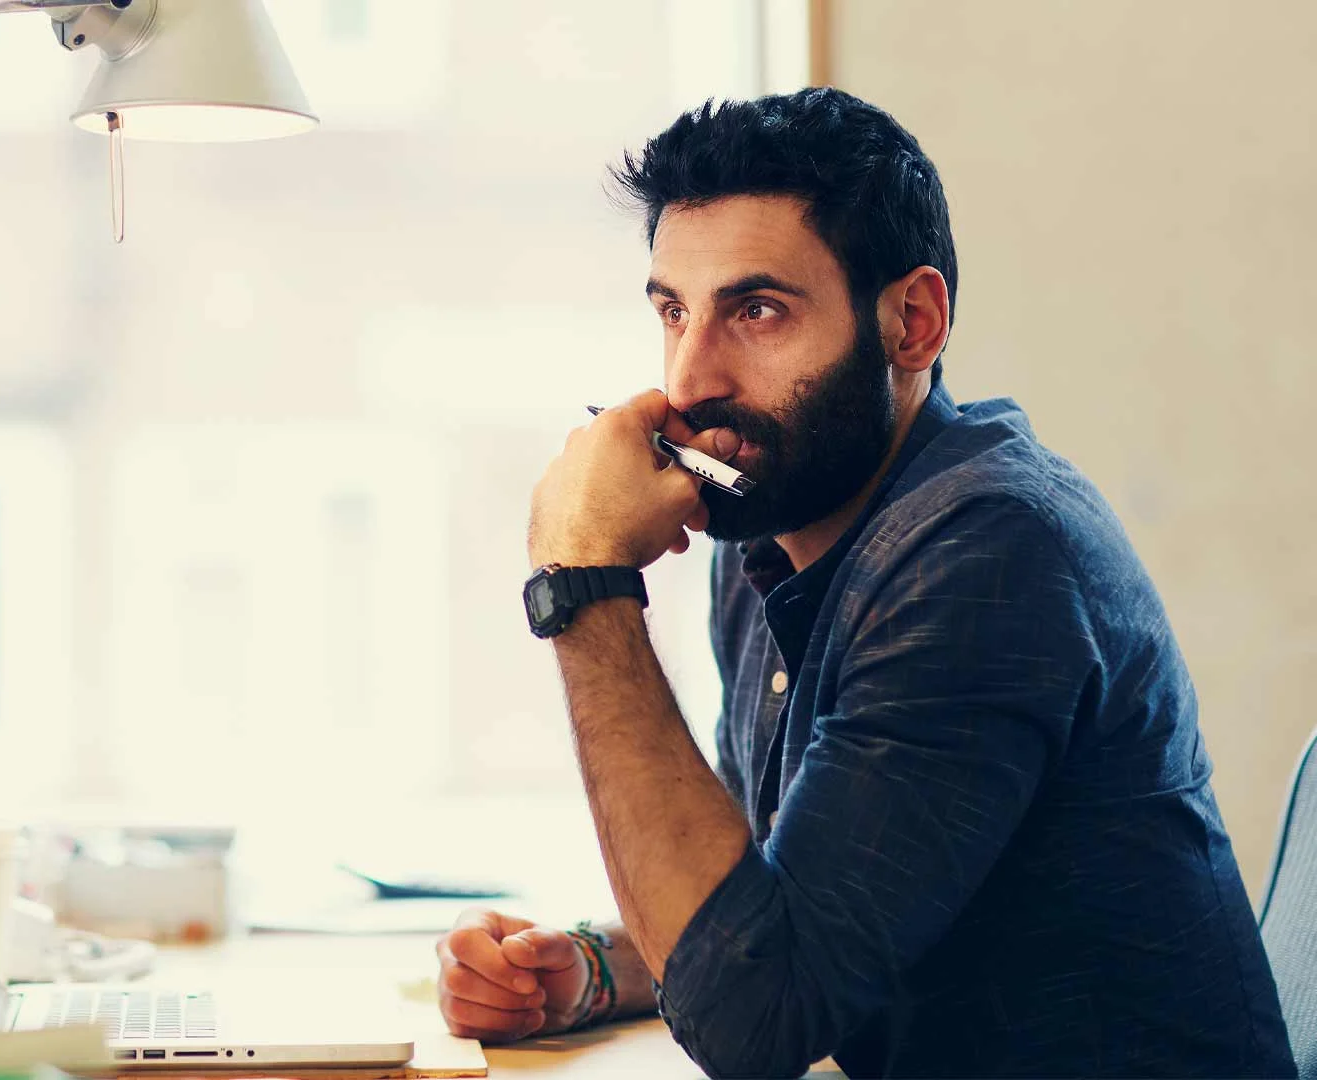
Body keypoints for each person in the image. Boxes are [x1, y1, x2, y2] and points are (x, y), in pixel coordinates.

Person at [436, 88, 1293, 1078]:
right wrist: (583, 970)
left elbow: (756, 1022)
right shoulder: (767, 538)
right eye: (674, 311)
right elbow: (777, 913)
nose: (689, 379)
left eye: (756, 311)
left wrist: (583, 583)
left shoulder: (988, 550)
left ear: (912, 324)